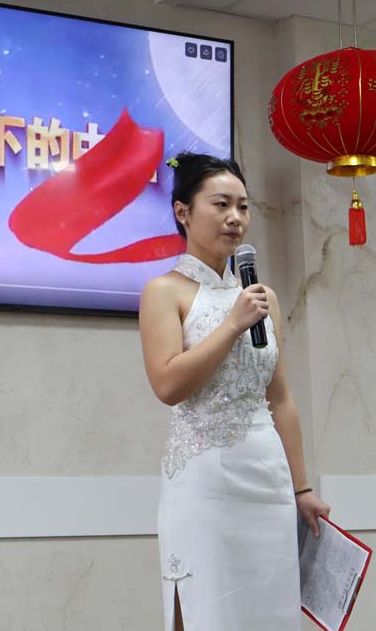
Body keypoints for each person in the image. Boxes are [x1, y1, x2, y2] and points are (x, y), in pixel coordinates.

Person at [139, 153, 331, 630]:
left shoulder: (264, 297)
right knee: (207, 610)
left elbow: (280, 399)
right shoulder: (164, 291)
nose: (235, 218)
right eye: (221, 204)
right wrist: (231, 325)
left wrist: (302, 487)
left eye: (243, 207)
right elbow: (167, 384)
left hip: (267, 479)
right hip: (206, 483)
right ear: (183, 212)